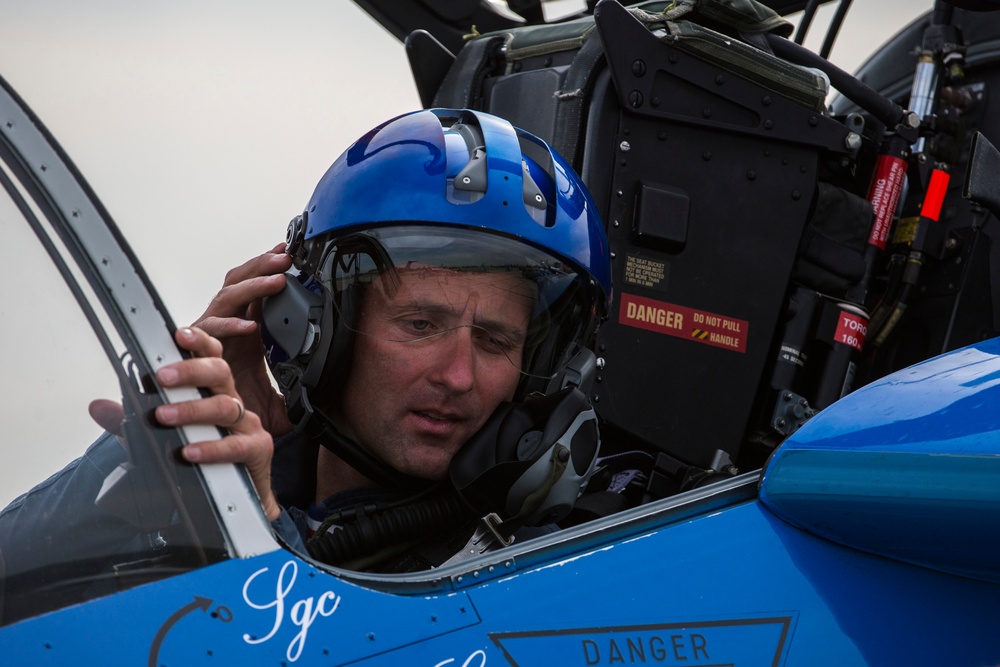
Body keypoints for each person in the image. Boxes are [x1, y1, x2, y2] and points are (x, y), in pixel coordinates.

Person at [187, 108, 613, 569]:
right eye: (420, 325)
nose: (457, 377)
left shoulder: (557, 572)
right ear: (311, 327)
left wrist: (260, 520)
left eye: (495, 341)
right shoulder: (215, 481)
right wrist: (175, 444)